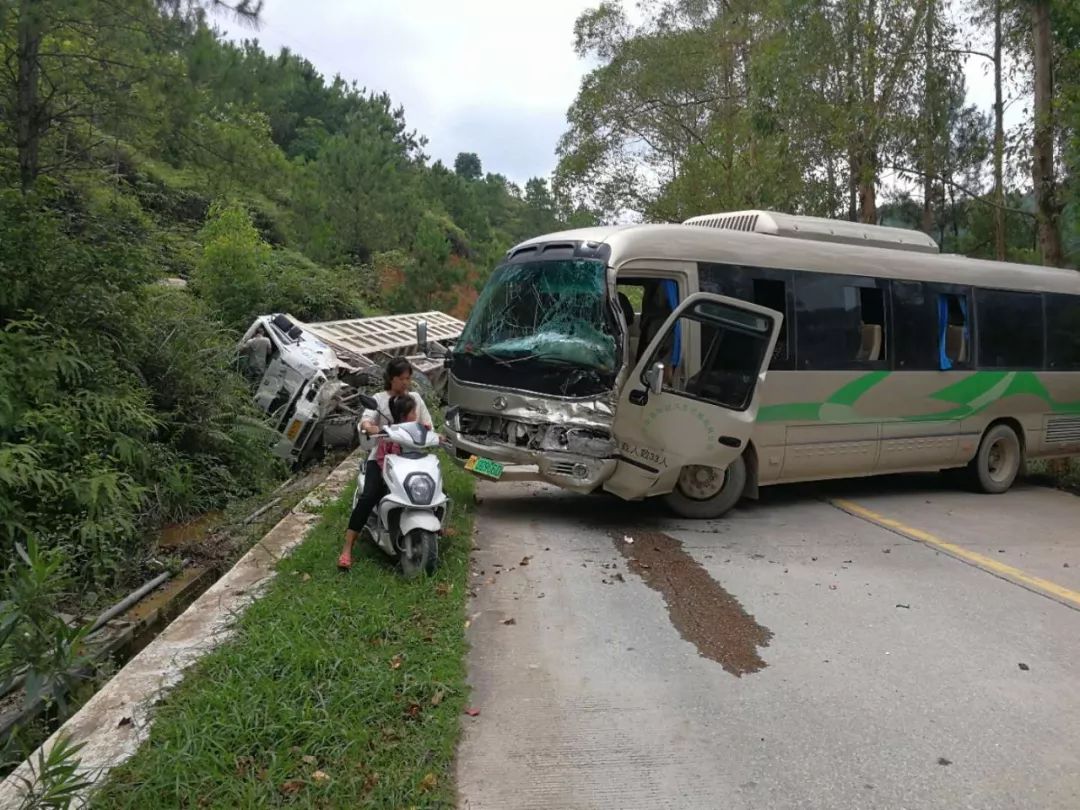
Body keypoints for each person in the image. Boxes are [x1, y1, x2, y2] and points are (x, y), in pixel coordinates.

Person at [338, 358, 432, 570]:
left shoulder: (415, 398)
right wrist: (371, 427)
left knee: (432, 488)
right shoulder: (379, 399)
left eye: (409, 378)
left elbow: (427, 424)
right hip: (382, 458)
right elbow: (367, 420)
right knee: (370, 495)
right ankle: (347, 547)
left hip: (411, 457)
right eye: (402, 379)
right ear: (391, 378)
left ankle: (435, 528)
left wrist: (431, 434)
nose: (406, 383)